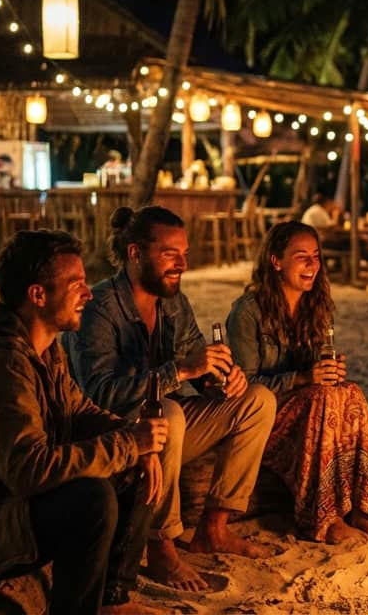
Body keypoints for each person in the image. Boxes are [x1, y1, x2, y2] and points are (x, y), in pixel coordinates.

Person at [0, 230, 166, 615]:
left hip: (5, 508)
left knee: (132, 469)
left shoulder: (44, 349)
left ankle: (112, 597)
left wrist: (133, 439)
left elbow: (78, 412)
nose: (88, 294)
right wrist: (130, 444)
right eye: (76, 284)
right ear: (37, 295)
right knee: (91, 500)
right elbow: (30, 469)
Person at [70, 205, 276, 592]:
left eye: (184, 253)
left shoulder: (173, 302)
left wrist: (220, 380)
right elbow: (100, 394)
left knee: (258, 399)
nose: (181, 263)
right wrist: (179, 371)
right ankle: (161, 546)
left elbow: (197, 361)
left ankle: (213, 527)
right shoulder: (99, 308)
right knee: (169, 412)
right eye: (170, 254)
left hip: (168, 431)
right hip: (114, 437)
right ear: (135, 253)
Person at [226, 221, 368, 544]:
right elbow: (243, 387)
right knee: (323, 398)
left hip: (309, 410)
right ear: (276, 261)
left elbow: (318, 377)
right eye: (302, 256)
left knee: (350, 393)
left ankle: (362, 508)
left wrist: (328, 372)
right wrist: (302, 378)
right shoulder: (248, 312)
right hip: (264, 419)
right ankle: (324, 517)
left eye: (316, 256)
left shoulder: (317, 306)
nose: (312, 265)